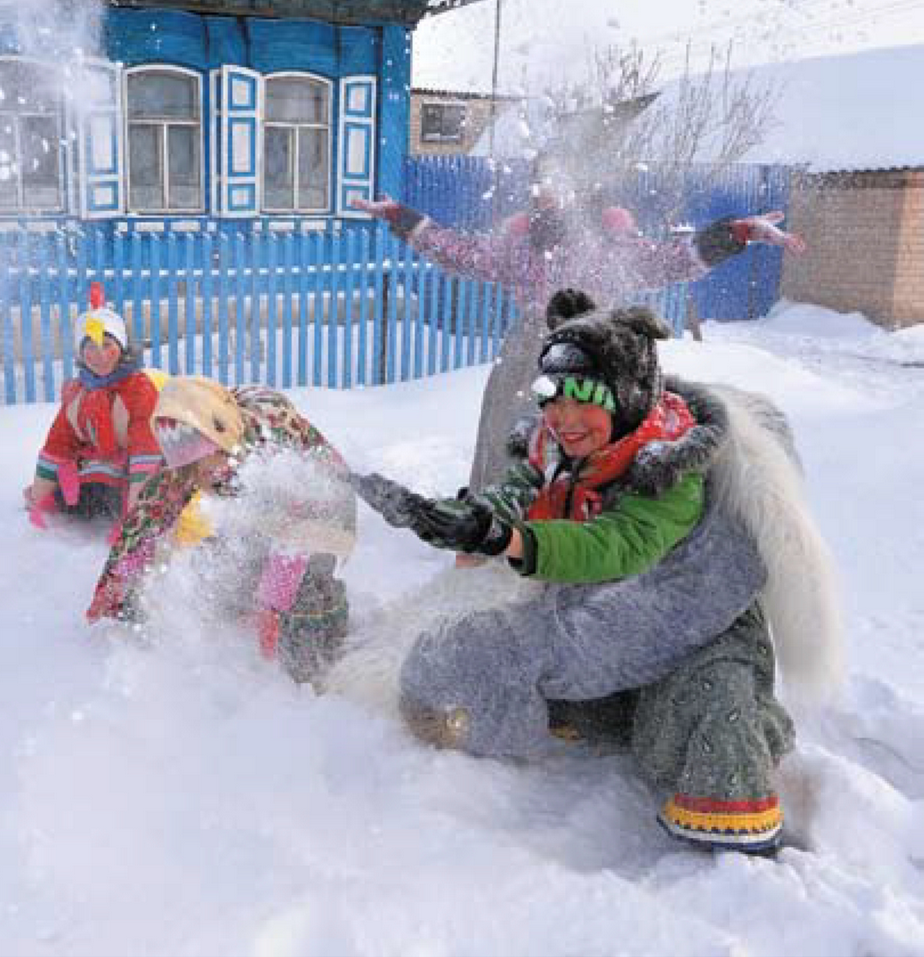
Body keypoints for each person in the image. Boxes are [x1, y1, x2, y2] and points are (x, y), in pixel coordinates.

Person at [351, 288, 842, 853]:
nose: (565, 419)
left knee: (714, 716)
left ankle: (744, 822)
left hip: (693, 620)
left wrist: (513, 542)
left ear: (627, 397)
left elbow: (621, 545)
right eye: (552, 400)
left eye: (585, 400)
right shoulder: (554, 446)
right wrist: (464, 519)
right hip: (602, 610)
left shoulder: (672, 464)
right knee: (548, 669)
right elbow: (514, 493)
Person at [351, 171, 803, 494]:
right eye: (540, 185)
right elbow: (460, 253)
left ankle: (572, 537)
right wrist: (402, 217)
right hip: (527, 357)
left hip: (595, 359)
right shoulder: (520, 246)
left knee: (588, 453)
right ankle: (492, 526)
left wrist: (737, 233)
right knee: (504, 441)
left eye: (556, 184)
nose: (546, 194)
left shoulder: (611, 246)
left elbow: (673, 260)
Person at [87, 375, 356, 685]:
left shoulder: (273, 443)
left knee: (302, 604)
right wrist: (116, 579)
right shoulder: (190, 440)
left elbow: (297, 531)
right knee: (216, 568)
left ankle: (325, 629)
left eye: (209, 459)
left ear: (222, 430)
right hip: (264, 517)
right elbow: (151, 514)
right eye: (195, 467)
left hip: (324, 510)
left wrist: (272, 605)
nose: (206, 473)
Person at [23, 284, 162, 527]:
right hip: (99, 467)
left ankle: (133, 511)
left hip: (141, 468)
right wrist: (40, 495)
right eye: (90, 347)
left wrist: (136, 522)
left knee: (125, 487)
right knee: (80, 486)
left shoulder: (139, 389)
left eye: (107, 345)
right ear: (80, 353)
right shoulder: (78, 392)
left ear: (122, 347)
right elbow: (58, 444)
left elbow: (146, 452)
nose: (99, 355)